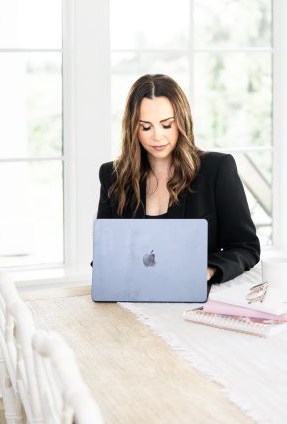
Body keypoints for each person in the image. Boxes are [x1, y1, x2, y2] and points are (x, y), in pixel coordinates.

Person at [97, 74, 260, 284]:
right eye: (145, 127)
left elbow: (246, 247)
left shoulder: (217, 169)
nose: (157, 136)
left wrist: (209, 270)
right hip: (130, 296)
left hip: (195, 297)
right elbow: (105, 255)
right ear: (132, 128)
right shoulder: (112, 176)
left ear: (182, 121)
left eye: (166, 125)